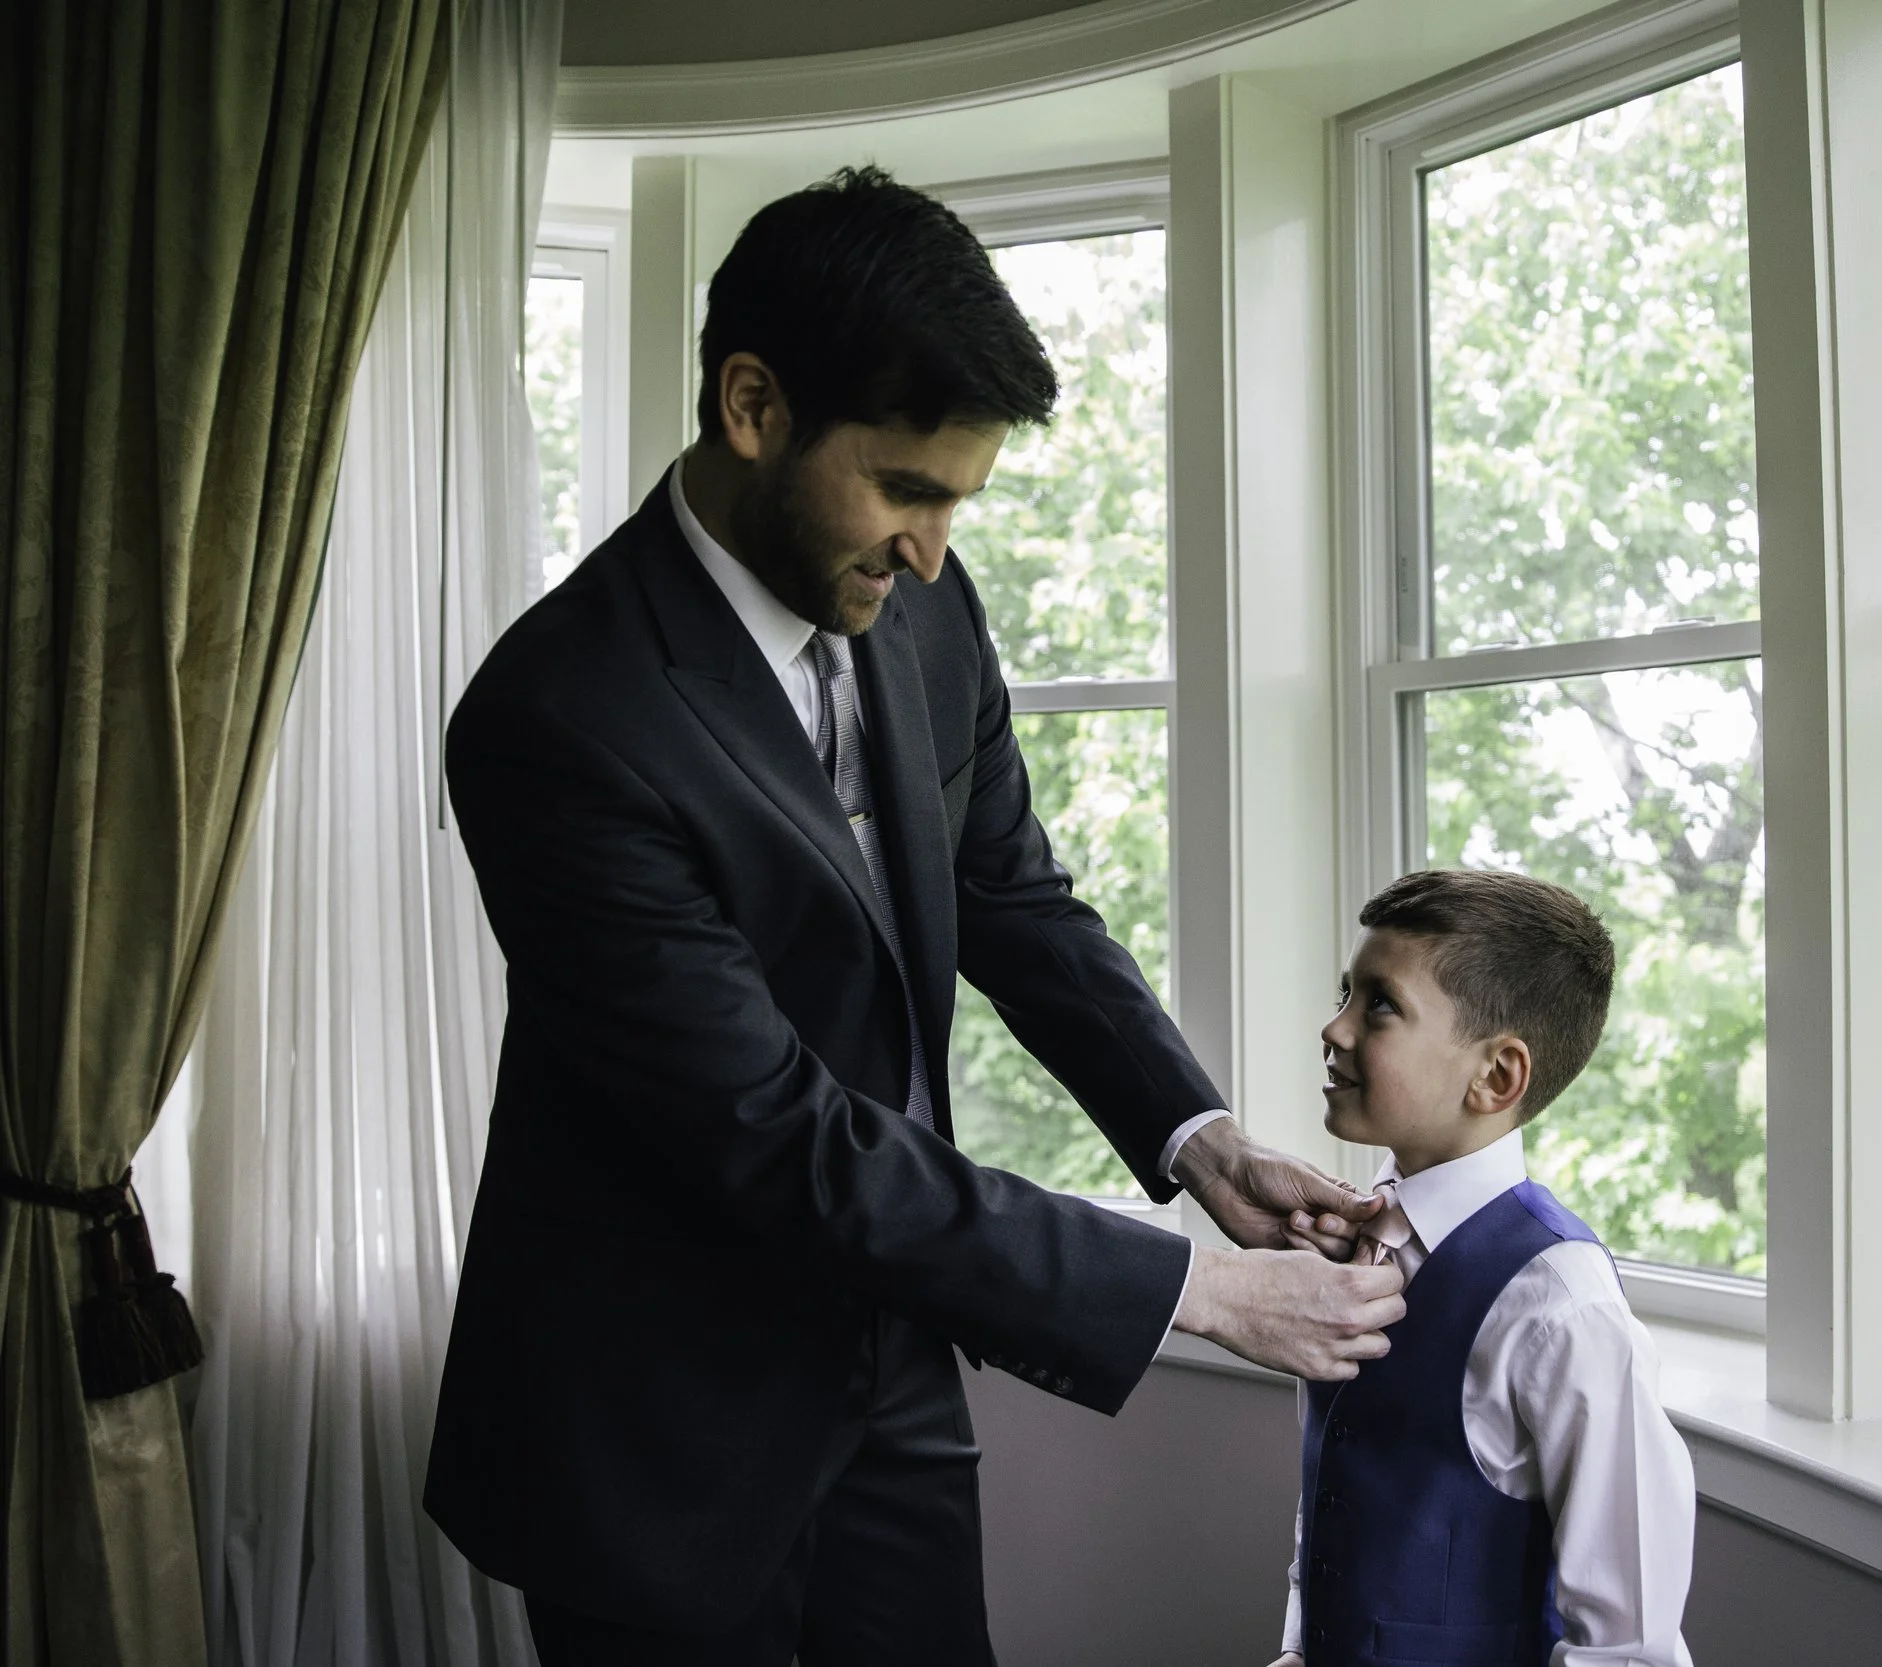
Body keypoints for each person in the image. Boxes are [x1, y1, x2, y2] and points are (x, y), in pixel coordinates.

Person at [423, 166, 1402, 1666]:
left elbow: (1014, 898)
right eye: (906, 487)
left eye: (960, 498)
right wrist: (1199, 1290)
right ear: (752, 404)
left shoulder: (925, 609)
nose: (936, 547)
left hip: (889, 1369)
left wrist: (1197, 1141)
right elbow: (774, 1130)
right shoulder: (558, 715)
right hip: (653, 1424)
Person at [1273, 868, 1698, 1667]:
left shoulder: (1560, 1304)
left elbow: (1629, 1647)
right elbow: (1333, 1512)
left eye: (1381, 1005)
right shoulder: (1354, 1245)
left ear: (1497, 1075)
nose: (1333, 1029)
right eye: (1344, 994)